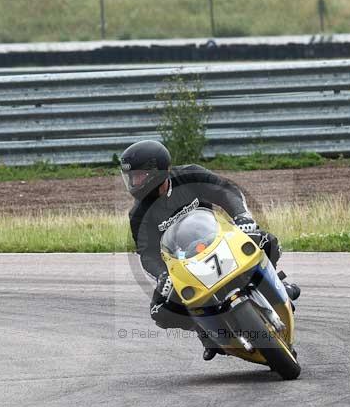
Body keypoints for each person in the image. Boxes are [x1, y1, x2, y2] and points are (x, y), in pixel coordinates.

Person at [120, 140, 300, 361]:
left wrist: (242, 217)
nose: (134, 182)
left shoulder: (190, 175)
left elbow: (226, 191)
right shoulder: (138, 214)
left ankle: (276, 284)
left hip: (220, 240)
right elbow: (146, 253)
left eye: (138, 176)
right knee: (160, 311)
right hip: (184, 263)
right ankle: (205, 331)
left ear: (157, 171)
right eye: (131, 177)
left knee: (266, 241)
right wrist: (162, 275)